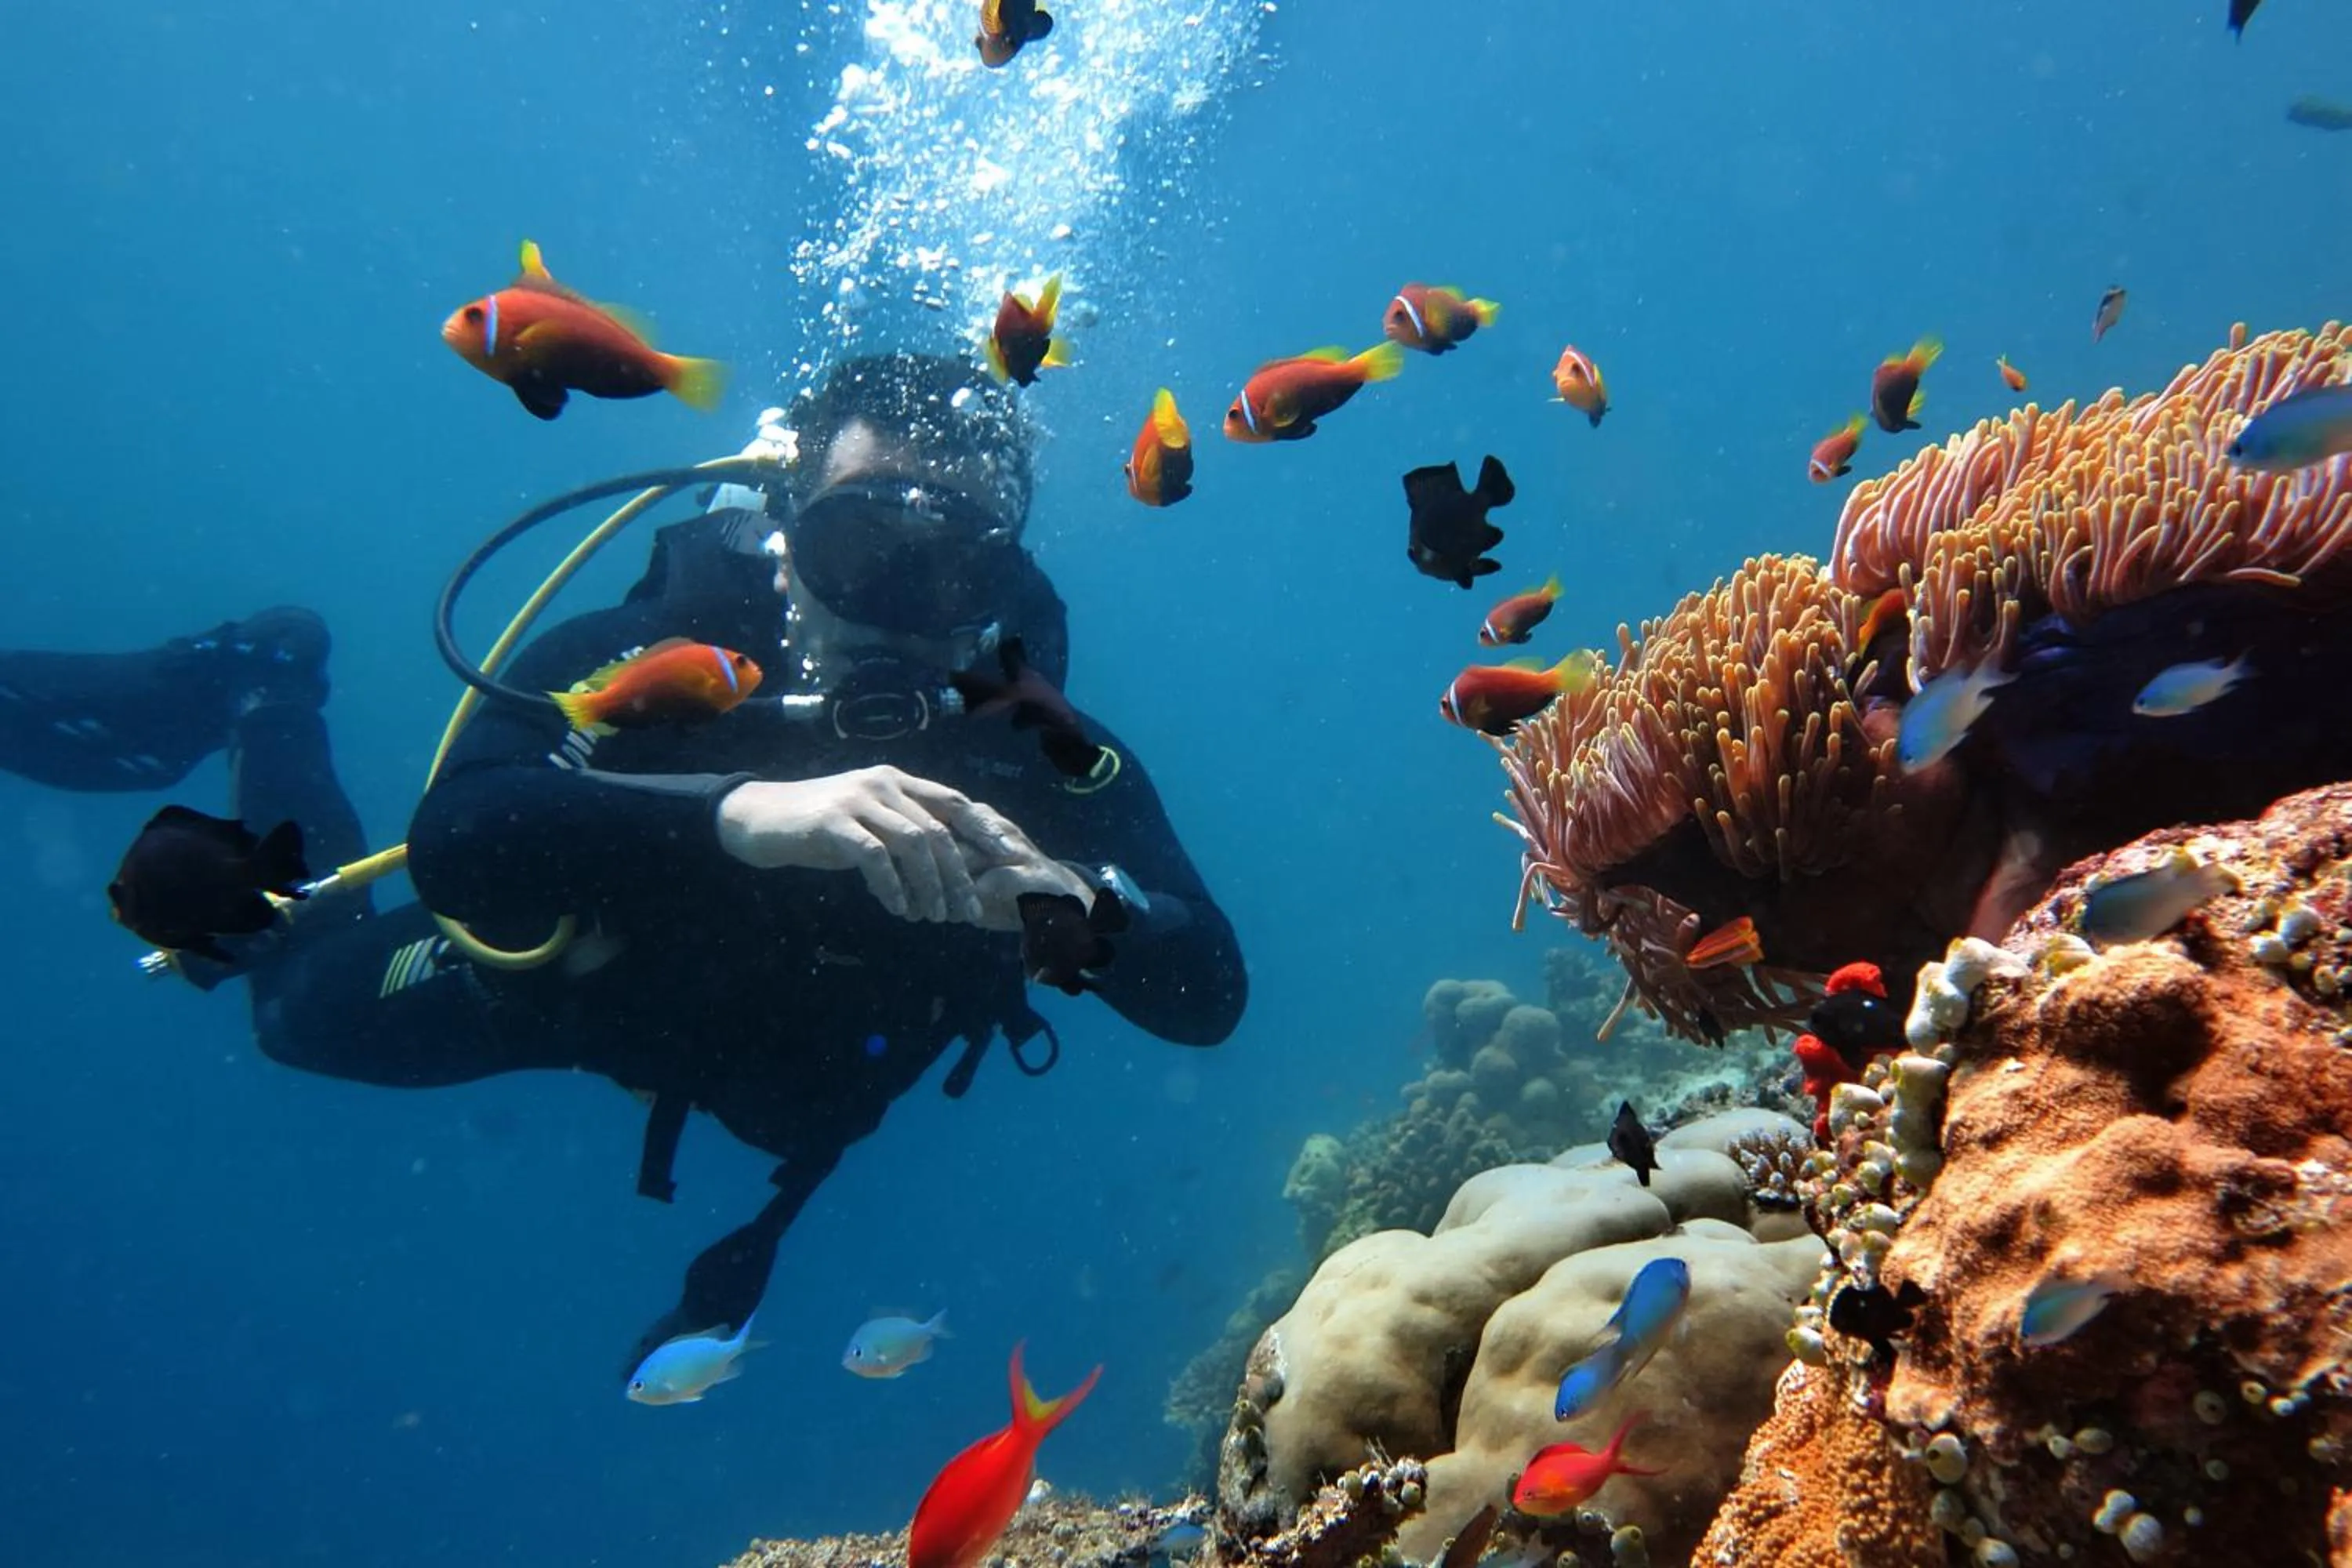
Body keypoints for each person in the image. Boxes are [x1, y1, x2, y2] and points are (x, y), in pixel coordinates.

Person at [0, 350, 1247, 1374]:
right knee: (285, 1009)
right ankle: (269, 687)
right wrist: (741, 814)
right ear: (782, 520)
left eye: (950, 564)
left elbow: (1210, 997)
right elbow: (460, 837)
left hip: (783, 1077)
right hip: (560, 990)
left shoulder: (1036, 749)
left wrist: (1088, 908)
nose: (894, 603)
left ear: (1001, 579)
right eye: (861, 547)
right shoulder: (663, 655)